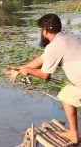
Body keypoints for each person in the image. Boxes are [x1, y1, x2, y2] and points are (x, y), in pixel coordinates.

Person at [8, 13, 81, 144]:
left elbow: (45, 75)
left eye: (40, 30)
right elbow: (42, 58)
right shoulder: (70, 38)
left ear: (45, 30)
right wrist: (20, 69)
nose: (40, 33)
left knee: (66, 95)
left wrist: (28, 71)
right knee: (68, 94)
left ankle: (73, 134)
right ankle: (73, 133)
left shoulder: (54, 46)